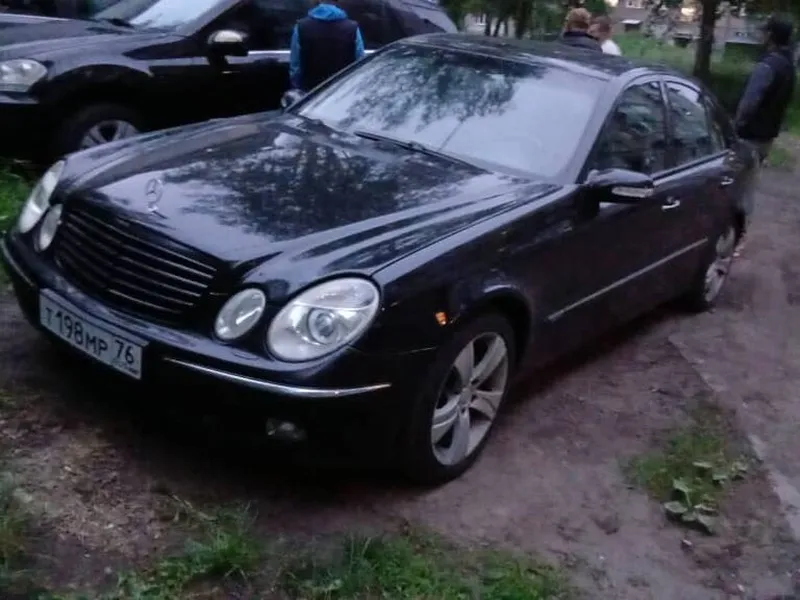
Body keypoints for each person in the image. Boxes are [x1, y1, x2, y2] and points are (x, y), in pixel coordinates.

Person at [733, 14, 795, 256]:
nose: (760, 34)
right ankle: (738, 235)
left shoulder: (767, 65)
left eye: (764, 31)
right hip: (767, 138)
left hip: (748, 137)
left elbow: (749, 102)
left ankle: (734, 238)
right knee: (749, 184)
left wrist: (735, 126)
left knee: (737, 188)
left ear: (771, 35)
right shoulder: (789, 66)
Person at [289, 0, 366, 92]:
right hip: (344, 91)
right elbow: (360, 63)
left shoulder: (301, 26)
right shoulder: (352, 28)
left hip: (311, 92)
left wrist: (297, 88)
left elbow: (295, 66)